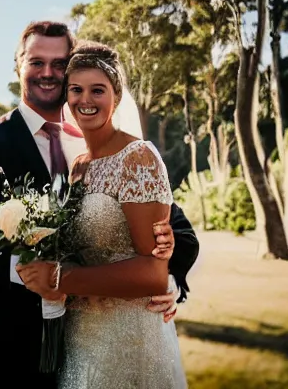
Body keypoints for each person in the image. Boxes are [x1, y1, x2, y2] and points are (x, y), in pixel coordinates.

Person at [0, 22, 198, 389]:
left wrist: (167, 275)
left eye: (59, 64)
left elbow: (175, 225)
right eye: (36, 62)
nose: (47, 73)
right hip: (12, 340)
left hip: (95, 334)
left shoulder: (96, 142)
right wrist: (22, 271)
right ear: (17, 66)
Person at [17, 42, 189, 388]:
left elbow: (153, 275)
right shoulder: (78, 167)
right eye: (76, 90)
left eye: (98, 90)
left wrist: (58, 279)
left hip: (129, 336)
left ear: (117, 96)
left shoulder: (138, 157)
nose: (86, 100)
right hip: (81, 334)